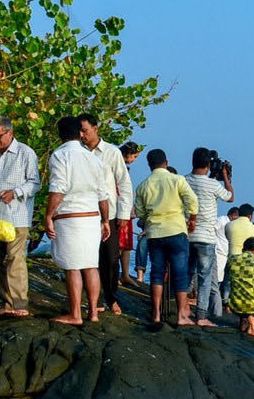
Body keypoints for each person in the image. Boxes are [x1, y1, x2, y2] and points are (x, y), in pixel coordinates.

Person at [44, 115, 113, 325]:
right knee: (91, 265)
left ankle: (75, 314)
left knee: (72, 266)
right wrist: (105, 221)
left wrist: (48, 216)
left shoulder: (60, 155)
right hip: (92, 217)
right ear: (79, 133)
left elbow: (58, 189)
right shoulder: (93, 158)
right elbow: (103, 195)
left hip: (70, 218)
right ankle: (93, 312)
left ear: (60, 134)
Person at [132, 148, 199, 325]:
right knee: (180, 273)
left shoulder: (143, 186)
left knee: (157, 272)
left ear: (149, 165)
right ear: (166, 163)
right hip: (176, 230)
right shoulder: (177, 180)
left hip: (154, 234)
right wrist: (192, 220)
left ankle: (156, 313)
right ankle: (182, 316)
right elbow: (192, 200)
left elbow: (140, 212)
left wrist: (150, 219)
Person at [0, 115, 39, 318]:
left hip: (18, 216)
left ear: (10, 133)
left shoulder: (26, 152)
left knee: (15, 257)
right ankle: (7, 302)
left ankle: (19, 303)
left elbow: (35, 183)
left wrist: (15, 192)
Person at [79, 113, 134, 316]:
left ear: (95, 128)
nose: (82, 135)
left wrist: (124, 213)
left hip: (109, 214)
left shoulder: (112, 152)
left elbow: (124, 183)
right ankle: (93, 299)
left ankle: (112, 297)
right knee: (87, 258)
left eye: (85, 130)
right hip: (84, 212)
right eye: (79, 131)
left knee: (110, 259)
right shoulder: (78, 152)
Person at [185, 147, 234, 325]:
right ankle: (201, 316)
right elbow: (230, 197)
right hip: (206, 238)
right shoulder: (213, 185)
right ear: (208, 165)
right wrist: (225, 176)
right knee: (205, 279)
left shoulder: (183, 180)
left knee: (187, 274)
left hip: (187, 235)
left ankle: (183, 309)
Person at [118, 141, 141, 286]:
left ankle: (125, 274)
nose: (134, 160)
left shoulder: (123, 166)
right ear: (128, 154)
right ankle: (115, 274)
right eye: (135, 156)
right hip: (119, 210)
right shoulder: (117, 164)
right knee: (118, 245)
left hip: (126, 210)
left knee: (126, 245)